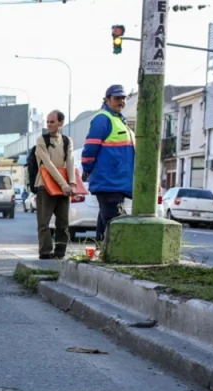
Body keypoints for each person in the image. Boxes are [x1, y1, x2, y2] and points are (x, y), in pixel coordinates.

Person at [81, 85, 134, 242]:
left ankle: (100, 250)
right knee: (115, 222)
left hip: (117, 182)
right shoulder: (102, 118)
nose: (121, 101)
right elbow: (90, 147)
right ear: (107, 99)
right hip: (109, 181)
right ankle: (114, 255)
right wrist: (87, 169)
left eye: (123, 98)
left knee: (106, 222)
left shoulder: (119, 120)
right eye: (117, 98)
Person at [34, 110, 76, 260]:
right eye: (48, 122)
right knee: (44, 222)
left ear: (61, 123)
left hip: (63, 186)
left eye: (52, 122)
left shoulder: (67, 141)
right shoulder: (41, 140)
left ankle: (60, 252)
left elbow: (70, 162)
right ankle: (45, 252)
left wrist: (72, 183)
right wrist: (64, 184)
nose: (49, 125)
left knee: (63, 222)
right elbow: (48, 165)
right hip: (45, 184)